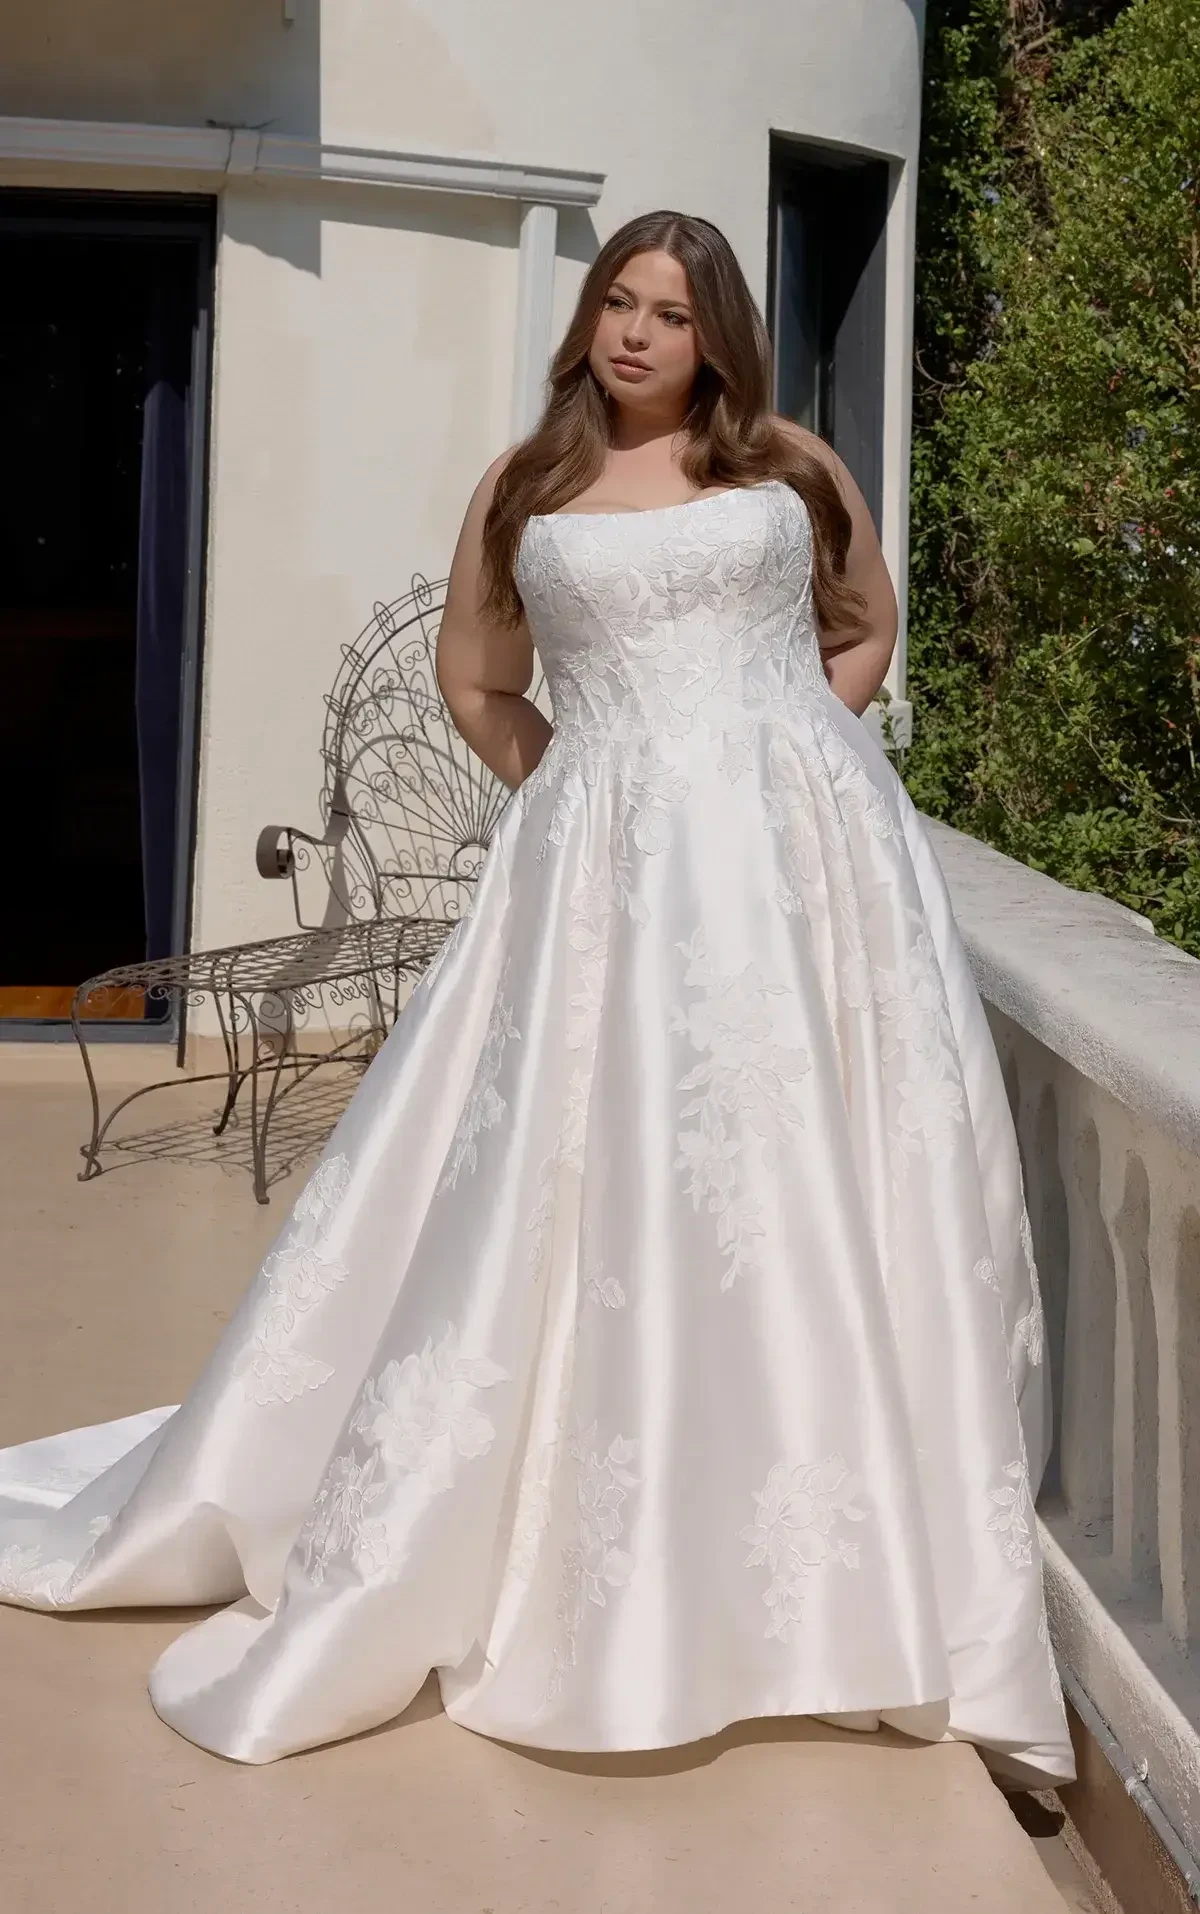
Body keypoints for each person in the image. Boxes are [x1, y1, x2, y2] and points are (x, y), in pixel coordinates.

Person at [0, 210, 1073, 1788]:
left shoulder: (789, 466)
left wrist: (798, 763)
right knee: (599, 1195)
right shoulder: (527, 486)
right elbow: (472, 679)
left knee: (820, 1180)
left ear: (717, 337)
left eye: (675, 312)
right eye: (619, 304)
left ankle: (862, 1560)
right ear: (589, 320)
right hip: (609, 880)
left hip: (801, 880)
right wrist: (584, 786)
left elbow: (867, 627)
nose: (639, 333)